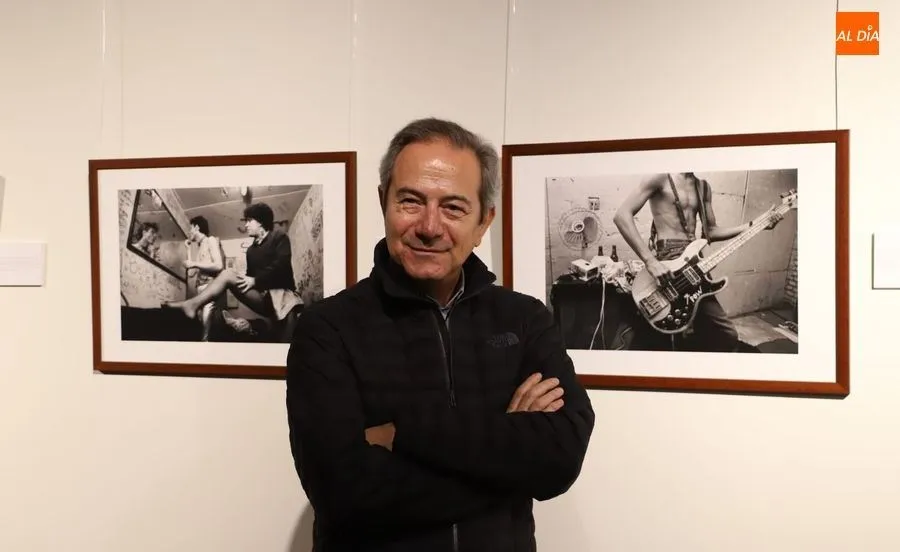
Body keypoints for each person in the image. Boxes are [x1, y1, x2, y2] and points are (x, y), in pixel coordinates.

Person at [285, 117, 595, 551]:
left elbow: (560, 458)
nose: (430, 227)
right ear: (383, 201)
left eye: (453, 207)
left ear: (484, 221)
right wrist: (508, 464)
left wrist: (402, 435)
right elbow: (344, 494)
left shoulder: (524, 319)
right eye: (411, 201)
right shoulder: (327, 329)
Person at [612, 172, 782, 352]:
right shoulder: (660, 177)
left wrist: (757, 224)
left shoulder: (703, 187)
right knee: (664, 336)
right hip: (668, 259)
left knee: (723, 333)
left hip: (694, 262)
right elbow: (621, 216)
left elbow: (712, 232)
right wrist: (651, 261)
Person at [164, 202, 302, 334]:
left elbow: (282, 266)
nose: (246, 225)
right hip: (262, 298)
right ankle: (193, 305)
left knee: (287, 337)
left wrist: (255, 281)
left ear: (260, 222)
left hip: (281, 295)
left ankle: (191, 304)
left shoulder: (278, 237)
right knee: (228, 274)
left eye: (249, 220)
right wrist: (244, 279)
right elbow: (249, 277)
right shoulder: (251, 251)